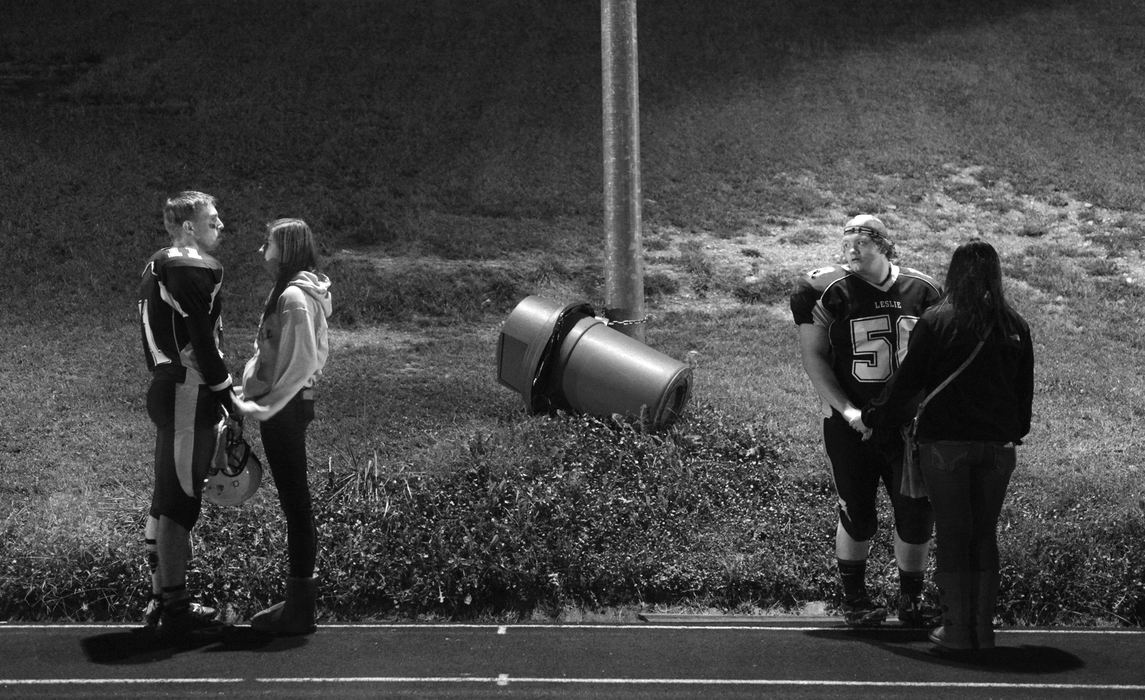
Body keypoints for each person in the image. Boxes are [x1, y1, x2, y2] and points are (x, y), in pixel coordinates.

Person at [860, 239, 1033, 651]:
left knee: (954, 534)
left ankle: (956, 629)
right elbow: (1023, 397)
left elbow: (907, 384)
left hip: (945, 448)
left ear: (954, 273)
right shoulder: (1015, 325)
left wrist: (873, 417)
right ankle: (983, 630)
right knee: (984, 535)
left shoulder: (937, 320)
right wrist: (1010, 433)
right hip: (997, 449)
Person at [790, 214, 943, 627]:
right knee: (857, 515)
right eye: (848, 241)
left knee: (915, 516)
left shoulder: (924, 290)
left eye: (863, 240)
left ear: (886, 245)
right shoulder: (826, 290)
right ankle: (854, 600)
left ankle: (911, 599)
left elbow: (937, 362)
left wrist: (922, 411)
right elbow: (814, 357)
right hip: (849, 424)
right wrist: (847, 409)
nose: (852, 249)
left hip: (907, 427)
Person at [138, 191, 261, 637]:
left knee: (166, 498)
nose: (221, 223)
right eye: (212, 218)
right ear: (188, 226)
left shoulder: (159, 262)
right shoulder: (190, 264)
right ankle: (175, 610)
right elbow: (202, 342)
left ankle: (160, 599)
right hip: (187, 392)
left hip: (170, 388)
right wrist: (227, 393)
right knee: (179, 503)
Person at [240, 218, 332, 636]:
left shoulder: (295, 296)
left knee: (296, 504)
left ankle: (299, 609)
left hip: (285, 410)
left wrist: (268, 407)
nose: (263, 250)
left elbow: (302, 362)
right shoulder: (292, 292)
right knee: (295, 503)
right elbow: (272, 354)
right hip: (283, 407)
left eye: (269, 243)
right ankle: (298, 602)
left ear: (288, 249)